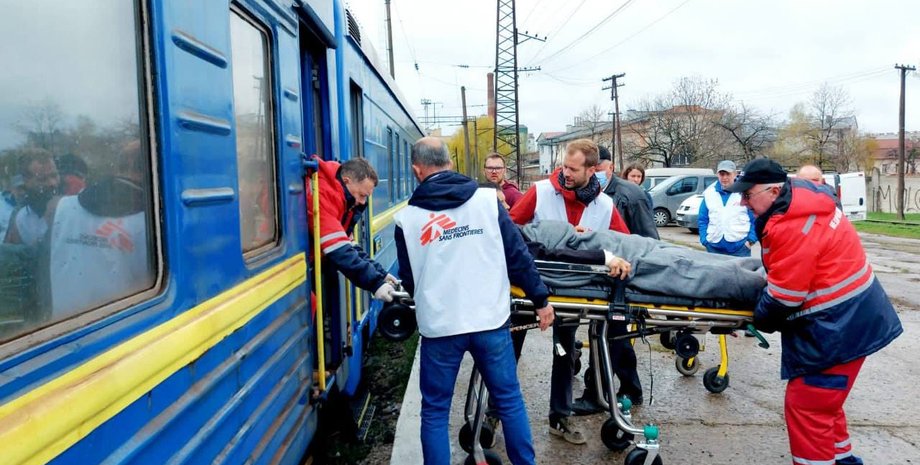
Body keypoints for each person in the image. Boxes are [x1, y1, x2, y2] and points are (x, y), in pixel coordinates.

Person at [726, 158, 902, 465]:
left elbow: (785, 297)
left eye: (747, 194)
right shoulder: (802, 204)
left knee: (808, 405)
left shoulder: (792, 224)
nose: (743, 202)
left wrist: (756, 317)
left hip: (837, 327)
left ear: (773, 191)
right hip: (851, 320)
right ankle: (843, 460)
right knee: (824, 403)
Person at [394, 137, 554, 465]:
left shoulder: (406, 220)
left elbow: (409, 280)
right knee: (508, 399)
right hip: (489, 321)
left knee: (435, 411)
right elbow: (517, 255)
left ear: (416, 170)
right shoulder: (486, 202)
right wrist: (540, 299)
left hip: (440, 328)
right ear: (450, 164)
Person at [509, 138, 629, 444]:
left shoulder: (604, 205)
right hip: (529, 289)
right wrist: (554, 234)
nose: (566, 173)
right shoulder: (540, 191)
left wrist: (609, 253)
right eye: (564, 166)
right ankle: (495, 413)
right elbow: (509, 230)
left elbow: (623, 242)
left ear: (592, 170)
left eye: (573, 169)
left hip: (572, 293)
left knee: (563, 352)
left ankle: (560, 416)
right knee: (510, 350)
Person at [572, 147, 656, 416]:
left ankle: (597, 393)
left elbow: (648, 238)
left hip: (623, 276)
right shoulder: (588, 193)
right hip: (601, 276)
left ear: (610, 167)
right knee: (612, 335)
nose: (594, 173)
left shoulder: (630, 195)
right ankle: (628, 389)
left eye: (598, 169)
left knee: (608, 335)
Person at [44, 140, 153, 321]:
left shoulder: (61, 207)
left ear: (118, 167)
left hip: (61, 327)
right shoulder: (151, 219)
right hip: (121, 326)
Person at [307, 156, 397, 302]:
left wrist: (381, 274)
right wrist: (375, 284)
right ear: (346, 181)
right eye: (362, 195)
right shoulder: (323, 195)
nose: (362, 202)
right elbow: (341, 251)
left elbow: (349, 245)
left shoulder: (341, 198)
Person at [698, 160, 757, 257]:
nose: (724, 177)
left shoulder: (744, 192)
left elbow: (756, 219)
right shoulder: (709, 194)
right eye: (722, 174)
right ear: (717, 175)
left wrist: (750, 241)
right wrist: (704, 240)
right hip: (713, 248)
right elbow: (702, 219)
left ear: (735, 174)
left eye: (728, 174)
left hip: (740, 249)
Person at [4, 149, 60, 246]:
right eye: (42, 179)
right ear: (26, 181)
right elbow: (11, 253)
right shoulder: (21, 217)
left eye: (54, 175)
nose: (52, 183)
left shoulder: (73, 206)